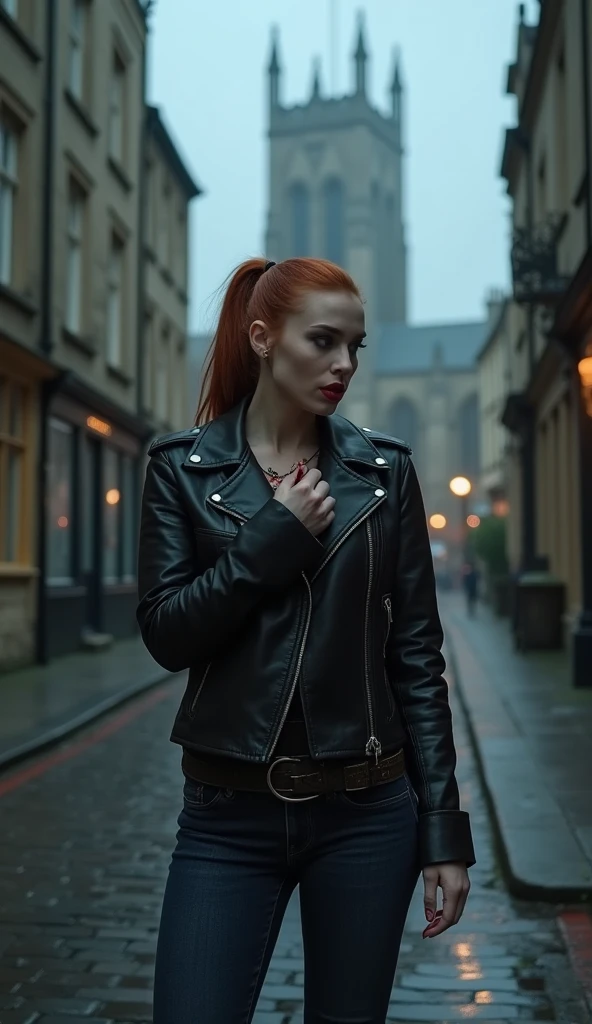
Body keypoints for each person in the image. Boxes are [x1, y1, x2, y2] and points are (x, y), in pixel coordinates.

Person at [137, 257, 475, 1024]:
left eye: (356, 346)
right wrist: (270, 541)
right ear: (262, 338)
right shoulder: (181, 471)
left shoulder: (383, 474)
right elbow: (166, 633)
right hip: (226, 815)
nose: (344, 365)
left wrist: (442, 830)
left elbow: (417, 660)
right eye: (323, 341)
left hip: (368, 815)